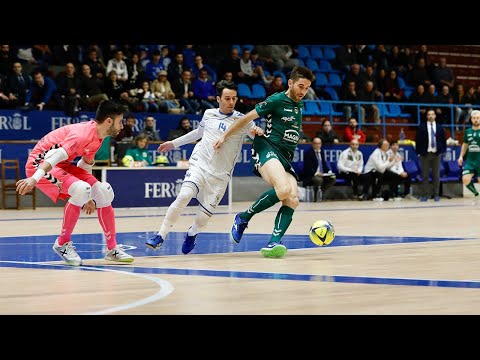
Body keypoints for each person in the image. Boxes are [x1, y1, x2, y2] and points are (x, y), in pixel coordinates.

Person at [145, 80, 263, 254]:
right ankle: (160, 236)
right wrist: (174, 143)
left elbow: (256, 136)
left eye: (234, 99)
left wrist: (258, 133)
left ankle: (192, 233)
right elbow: (198, 133)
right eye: (227, 98)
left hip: (220, 176)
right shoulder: (208, 114)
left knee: (202, 219)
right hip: (200, 164)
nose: (231, 102)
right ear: (218, 99)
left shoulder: (243, 120)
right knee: (184, 196)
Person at [15, 100, 134, 266]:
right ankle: (62, 243)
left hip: (60, 165)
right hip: (40, 165)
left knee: (103, 191)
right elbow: (53, 157)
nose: (122, 126)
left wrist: (91, 196)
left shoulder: (99, 137)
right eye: (120, 121)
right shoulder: (82, 134)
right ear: (109, 121)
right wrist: (34, 178)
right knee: (81, 188)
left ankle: (112, 248)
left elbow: (84, 166)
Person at [213, 66, 315, 258]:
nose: (303, 92)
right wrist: (224, 136)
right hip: (266, 148)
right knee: (283, 189)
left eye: (307, 88)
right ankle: (243, 218)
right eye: (301, 86)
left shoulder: (299, 105)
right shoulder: (276, 100)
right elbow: (247, 118)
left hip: (285, 157)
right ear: (290, 83)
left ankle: (273, 243)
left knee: (293, 199)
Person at [415, 108, 447, 201]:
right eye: (429, 114)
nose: (431, 116)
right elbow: (418, 140)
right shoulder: (421, 127)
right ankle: (425, 194)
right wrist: (419, 152)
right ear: (427, 116)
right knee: (425, 175)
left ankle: (436, 194)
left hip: (436, 154)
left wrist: (442, 150)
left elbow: (443, 140)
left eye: (432, 114)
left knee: (436, 175)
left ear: (435, 116)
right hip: (425, 154)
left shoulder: (440, 127)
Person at [302, 137, 336, 201]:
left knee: (333, 178)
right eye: (316, 143)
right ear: (312, 144)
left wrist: (329, 171)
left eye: (319, 143)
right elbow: (307, 168)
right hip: (312, 174)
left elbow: (323, 163)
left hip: (322, 174)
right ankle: (315, 196)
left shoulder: (321, 151)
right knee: (319, 180)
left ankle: (321, 192)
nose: (317, 145)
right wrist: (317, 173)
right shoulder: (308, 153)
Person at [457, 110, 480, 205]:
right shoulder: (468, 132)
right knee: (465, 179)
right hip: (470, 161)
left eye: (478, 118)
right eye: (474, 118)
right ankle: (476, 194)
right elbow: (465, 145)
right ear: (471, 119)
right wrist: (461, 156)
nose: (476, 120)